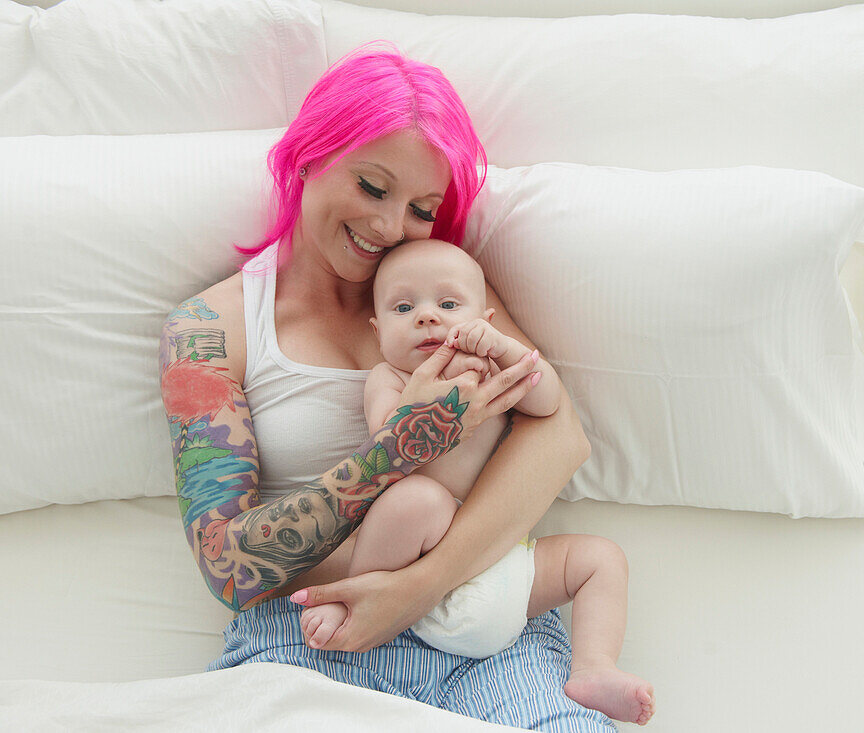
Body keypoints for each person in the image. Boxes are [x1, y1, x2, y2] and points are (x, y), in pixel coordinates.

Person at [159, 43, 616, 731]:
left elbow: (559, 436)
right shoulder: (209, 328)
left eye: (421, 208)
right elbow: (228, 564)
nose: (388, 227)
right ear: (310, 155)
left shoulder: (441, 290)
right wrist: (396, 448)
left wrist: (415, 588)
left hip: (484, 629)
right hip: (312, 634)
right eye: (373, 187)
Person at [298, 239, 656, 726]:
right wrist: (421, 402)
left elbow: (546, 401)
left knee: (600, 559)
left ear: (484, 321)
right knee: (416, 499)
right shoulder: (389, 376)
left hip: (501, 566)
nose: (427, 317)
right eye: (405, 308)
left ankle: (593, 667)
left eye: (447, 305)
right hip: (410, 568)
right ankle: (355, 599)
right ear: (378, 330)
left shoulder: (492, 369)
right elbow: (386, 445)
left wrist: (506, 353)